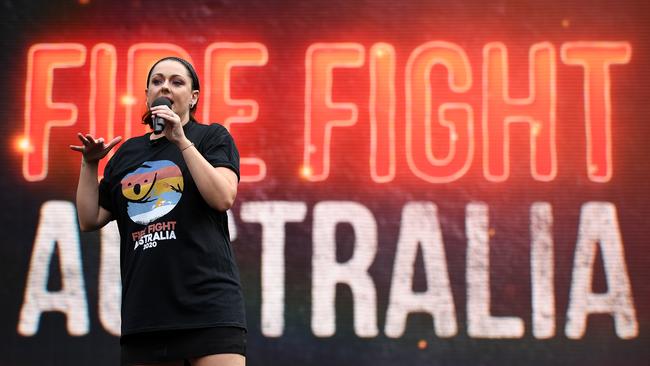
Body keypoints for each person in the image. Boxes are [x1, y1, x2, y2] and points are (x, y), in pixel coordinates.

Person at [70, 56, 246, 366]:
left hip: (208, 306)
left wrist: (180, 141)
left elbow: (223, 197)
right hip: (147, 312)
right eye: (157, 81)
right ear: (148, 94)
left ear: (193, 98)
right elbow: (89, 218)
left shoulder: (211, 137)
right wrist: (89, 164)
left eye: (177, 81)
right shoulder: (128, 154)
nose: (165, 86)